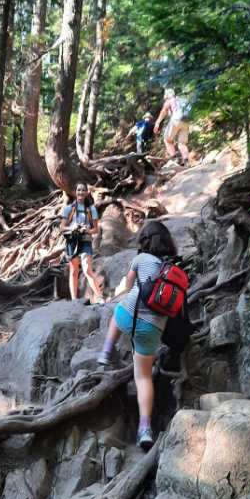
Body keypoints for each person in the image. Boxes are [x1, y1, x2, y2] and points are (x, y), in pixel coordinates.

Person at [97, 220, 178, 451]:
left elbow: (129, 284)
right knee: (143, 377)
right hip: (153, 327)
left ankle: (106, 350)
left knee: (116, 314)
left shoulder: (141, 259)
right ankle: (145, 428)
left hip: (129, 314)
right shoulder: (172, 267)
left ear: (144, 240)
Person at [59, 184, 105, 303]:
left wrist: (88, 230)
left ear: (86, 192)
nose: (81, 192)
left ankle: (99, 297)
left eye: (83, 190)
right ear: (75, 192)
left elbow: (96, 229)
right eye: (78, 190)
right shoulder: (69, 208)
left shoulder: (91, 209)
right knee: (74, 271)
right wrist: (72, 227)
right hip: (72, 240)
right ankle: (74, 300)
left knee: (87, 269)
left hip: (85, 240)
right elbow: (62, 227)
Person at [154, 88, 190, 165]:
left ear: (167, 95)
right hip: (186, 120)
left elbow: (164, 111)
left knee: (167, 140)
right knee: (182, 144)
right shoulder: (182, 100)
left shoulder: (170, 100)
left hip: (176, 119)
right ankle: (186, 162)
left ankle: (174, 158)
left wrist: (157, 122)